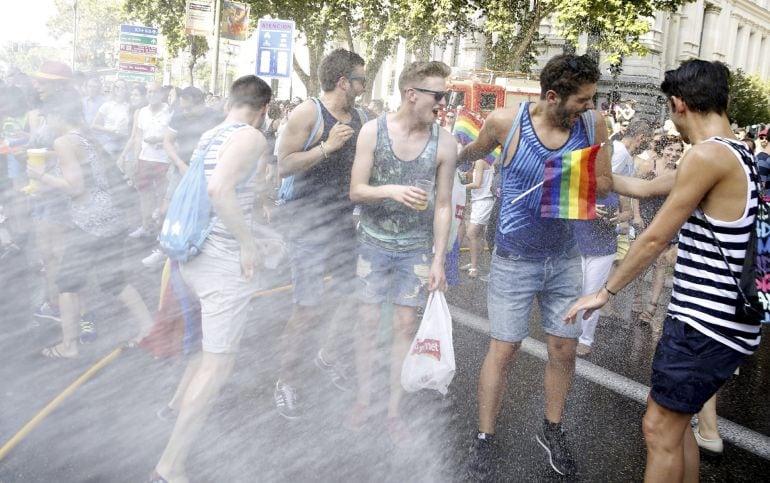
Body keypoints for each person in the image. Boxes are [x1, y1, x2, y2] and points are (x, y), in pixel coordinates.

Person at [566, 59, 762, 483]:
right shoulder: (734, 153)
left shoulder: (708, 156)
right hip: (718, 323)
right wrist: (598, 140)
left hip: (705, 325)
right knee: (677, 428)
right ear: (723, 100)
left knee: (658, 428)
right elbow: (640, 187)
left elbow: (655, 238)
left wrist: (606, 292)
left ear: (677, 105)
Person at [460, 53, 612, 478]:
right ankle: (485, 437)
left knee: (563, 347)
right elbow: (470, 154)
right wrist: (437, 163)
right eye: (583, 99)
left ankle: (553, 428)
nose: (590, 106)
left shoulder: (593, 125)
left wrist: (670, 186)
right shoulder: (505, 123)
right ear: (551, 96)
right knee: (504, 349)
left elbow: (606, 185)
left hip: (565, 259)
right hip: (513, 259)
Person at [151, 75, 272, 483]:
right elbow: (220, 190)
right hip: (222, 263)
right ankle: (170, 465)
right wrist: (248, 245)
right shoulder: (251, 137)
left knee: (206, 350)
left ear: (228, 104)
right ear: (264, 110)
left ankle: (174, 407)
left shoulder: (211, 134)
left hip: (192, 258)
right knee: (218, 366)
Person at [347, 60, 456, 446]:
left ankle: (393, 410)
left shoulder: (444, 142)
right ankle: (363, 399)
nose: (443, 103)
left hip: (415, 249)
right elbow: (356, 190)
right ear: (413, 95)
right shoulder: (372, 132)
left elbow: (443, 205)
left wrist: (440, 259)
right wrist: (391, 190)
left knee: (404, 328)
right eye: (438, 95)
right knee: (365, 322)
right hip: (373, 244)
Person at [273, 48, 367, 419]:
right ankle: (285, 381)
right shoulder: (308, 113)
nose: (364, 86)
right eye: (360, 79)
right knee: (308, 308)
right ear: (344, 81)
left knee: (354, 298)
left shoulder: (359, 117)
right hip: (306, 224)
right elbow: (282, 165)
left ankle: (326, 355)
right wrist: (327, 147)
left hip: (342, 223)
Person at [27, 90, 154, 358]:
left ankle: (69, 346)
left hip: (92, 222)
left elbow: (75, 187)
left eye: (47, 117)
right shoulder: (85, 136)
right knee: (112, 280)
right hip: (113, 218)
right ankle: (148, 326)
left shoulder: (63, 141)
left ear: (58, 115)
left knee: (66, 284)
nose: (45, 124)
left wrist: (41, 176)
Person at [128, 82, 171, 238]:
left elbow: (173, 135)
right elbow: (138, 136)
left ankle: (161, 230)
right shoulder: (142, 112)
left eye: (155, 92)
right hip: (144, 158)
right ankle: (145, 226)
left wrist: (159, 139)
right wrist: (135, 157)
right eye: (149, 92)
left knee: (162, 195)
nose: (151, 95)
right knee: (144, 193)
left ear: (161, 94)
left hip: (164, 159)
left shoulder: (169, 111)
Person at [463, 158, 494, 278]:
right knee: (478, 235)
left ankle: (474, 268)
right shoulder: (476, 162)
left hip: (484, 201)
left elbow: (477, 184)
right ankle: (475, 263)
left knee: (471, 233)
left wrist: (460, 187)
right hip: (478, 201)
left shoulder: (480, 161)